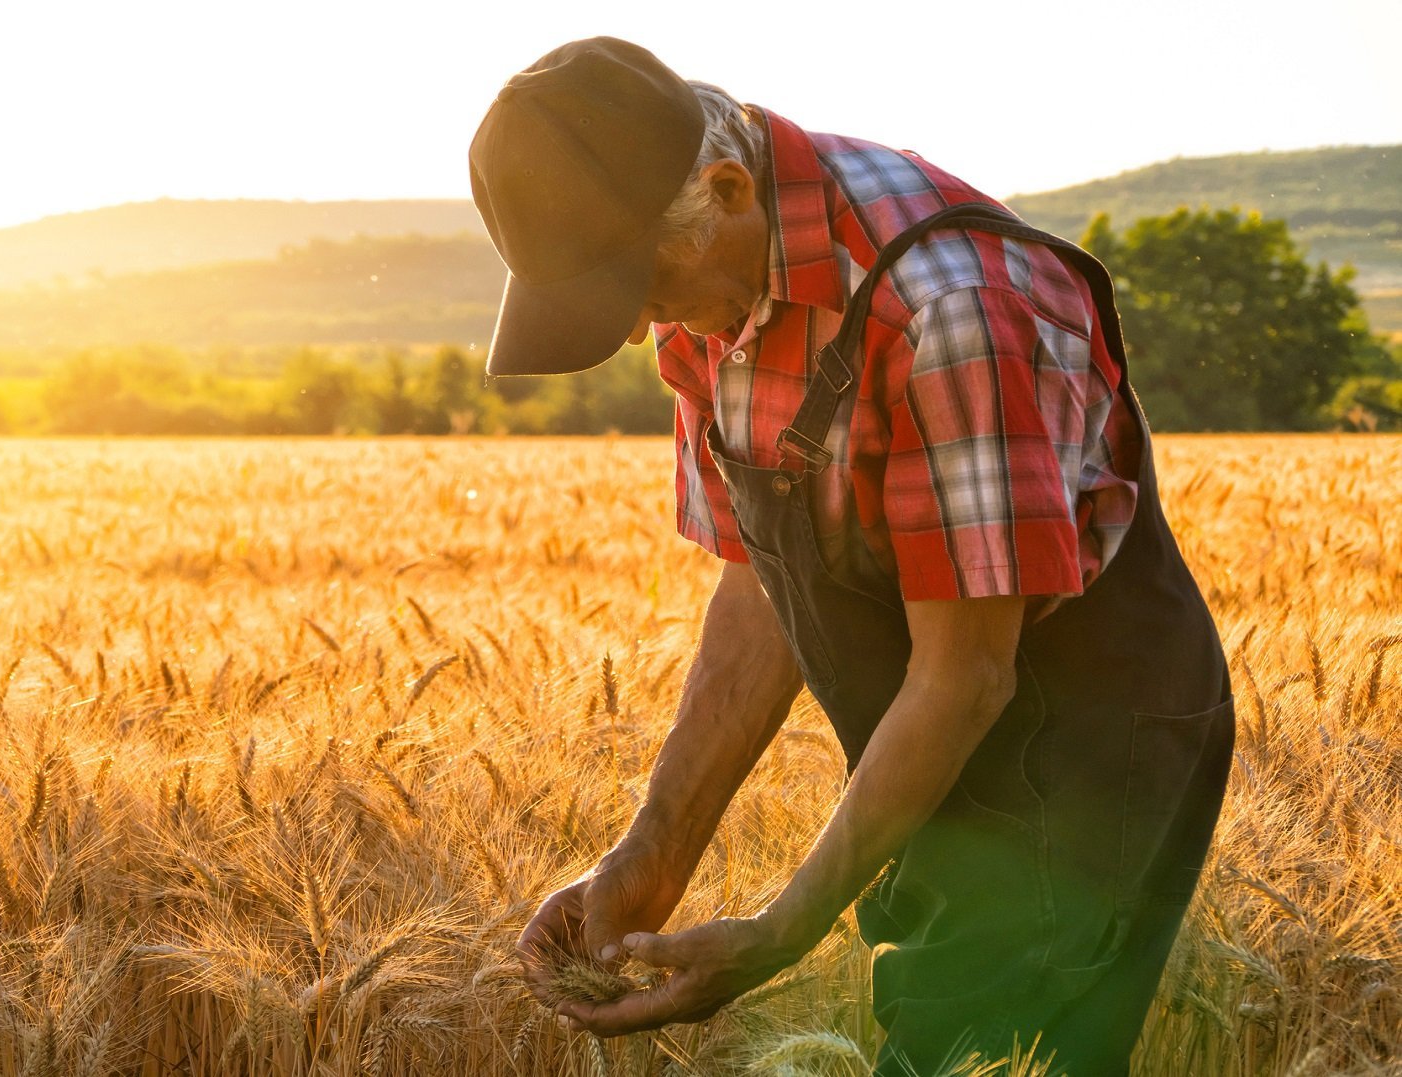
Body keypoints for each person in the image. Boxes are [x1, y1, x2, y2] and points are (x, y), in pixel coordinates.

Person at [468, 37, 1236, 1077]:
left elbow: (967, 674)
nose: (644, 323)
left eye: (641, 285)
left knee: (957, 1052)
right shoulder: (710, 288)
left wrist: (781, 935)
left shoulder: (948, 309)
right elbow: (759, 588)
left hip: (1079, 748)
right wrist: (650, 859)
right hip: (925, 739)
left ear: (729, 189)